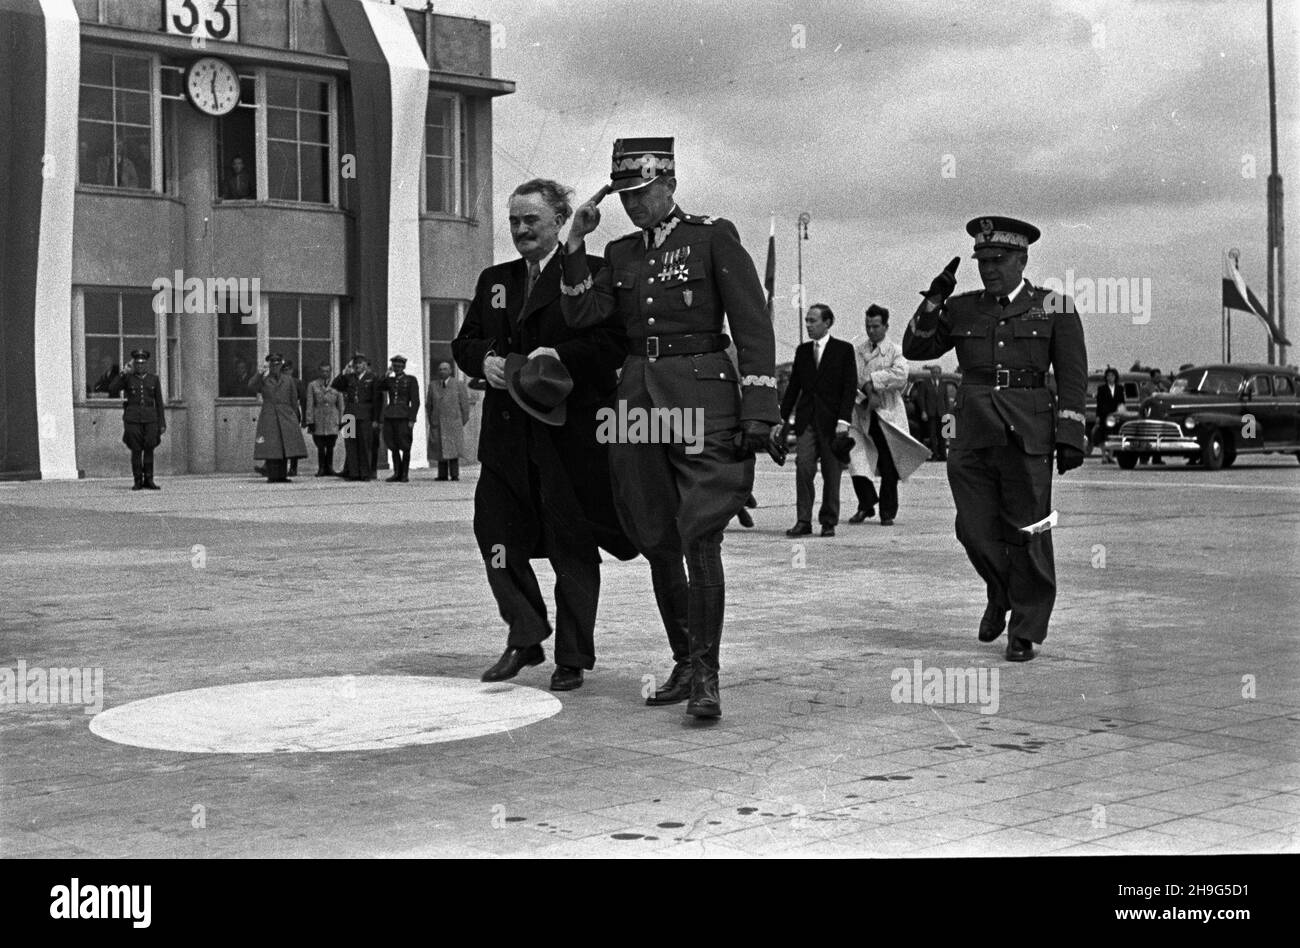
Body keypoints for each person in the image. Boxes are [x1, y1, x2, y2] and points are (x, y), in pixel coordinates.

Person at [560, 138, 779, 718]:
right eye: (624, 196)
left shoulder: (712, 236)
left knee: (702, 532)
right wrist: (576, 242)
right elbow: (583, 315)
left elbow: (752, 326)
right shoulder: (621, 252)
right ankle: (684, 661)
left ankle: (707, 676)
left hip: (704, 397)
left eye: (642, 193)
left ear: (670, 185)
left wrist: (759, 411)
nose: (633, 206)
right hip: (636, 400)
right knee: (655, 533)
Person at [452, 177, 636, 691]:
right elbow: (464, 341)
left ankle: (572, 656)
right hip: (507, 436)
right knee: (494, 536)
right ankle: (526, 634)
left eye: (531, 219)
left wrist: (557, 360)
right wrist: (483, 359)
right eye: (513, 220)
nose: (520, 229)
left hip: (568, 436)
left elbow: (610, 344)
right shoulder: (496, 278)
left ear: (560, 221)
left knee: (570, 547)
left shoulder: (593, 272)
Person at [903, 216, 1087, 662]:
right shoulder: (963, 308)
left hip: (1029, 432)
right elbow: (915, 348)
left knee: (1029, 531)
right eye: (982, 260)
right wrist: (934, 300)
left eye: (999, 260)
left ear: (1022, 259)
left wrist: (1070, 433)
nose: (989, 268)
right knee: (972, 527)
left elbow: (1072, 374)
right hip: (972, 433)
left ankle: (1025, 627)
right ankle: (1001, 592)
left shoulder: (1054, 306)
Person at [778, 303, 857, 538]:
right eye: (807, 321)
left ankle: (828, 521)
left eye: (813, 321)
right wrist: (781, 418)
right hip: (806, 421)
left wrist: (844, 420)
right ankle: (803, 520)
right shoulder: (802, 352)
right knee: (803, 467)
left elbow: (849, 388)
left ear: (828, 322)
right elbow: (793, 387)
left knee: (832, 473)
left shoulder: (843, 350)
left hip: (833, 423)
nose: (808, 325)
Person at [847, 304, 929, 525]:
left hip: (887, 413)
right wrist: (866, 391)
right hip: (863, 411)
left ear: (885, 326)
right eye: (868, 326)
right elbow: (853, 377)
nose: (871, 331)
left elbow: (900, 376)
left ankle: (887, 511)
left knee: (888, 462)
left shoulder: (896, 350)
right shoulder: (858, 350)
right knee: (856, 459)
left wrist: (873, 381)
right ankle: (866, 504)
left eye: (875, 326)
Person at [105, 349, 165, 490]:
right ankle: (137, 480)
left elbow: (159, 402)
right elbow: (112, 388)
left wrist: (161, 423)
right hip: (133, 419)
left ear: (146, 364)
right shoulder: (128, 378)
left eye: (142, 363)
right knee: (136, 450)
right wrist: (124, 373)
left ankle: (149, 479)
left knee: (149, 448)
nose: (140, 366)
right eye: (137, 364)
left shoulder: (153, 379)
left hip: (150, 419)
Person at [249, 353, 308, 483]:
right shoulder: (264, 379)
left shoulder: (288, 380)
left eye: (277, 363)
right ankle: (272, 475)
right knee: (271, 446)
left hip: (286, 415)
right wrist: (259, 373)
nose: (275, 366)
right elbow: (252, 386)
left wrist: (295, 416)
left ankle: (282, 475)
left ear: (281, 364)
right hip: (269, 415)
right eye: (272, 363)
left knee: (284, 446)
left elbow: (293, 399)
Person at [331, 353, 381, 481]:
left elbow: (377, 399)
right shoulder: (349, 377)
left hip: (365, 414)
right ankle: (353, 473)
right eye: (355, 364)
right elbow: (335, 385)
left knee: (364, 445)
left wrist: (376, 419)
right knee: (350, 443)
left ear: (365, 365)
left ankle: (365, 473)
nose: (357, 366)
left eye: (360, 363)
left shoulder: (372, 378)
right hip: (349, 414)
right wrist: (344, 371)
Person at [376, 355, 420, 482]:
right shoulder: (389, 380)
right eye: (395, 366)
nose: (398, 369)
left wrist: (412, 419)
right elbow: (378, 387)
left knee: (405, 445)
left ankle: (404, 474)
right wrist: (386, 374)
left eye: (400, 366)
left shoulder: (411, 380)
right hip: (390, 415)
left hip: (404, 416)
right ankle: (397, 472)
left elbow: (415, 401)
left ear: (404, 367)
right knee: (392, 444)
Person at [426, 361, 470, 481]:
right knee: (440, 449)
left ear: (450, 371)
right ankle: (442, 475)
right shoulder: (433, 385)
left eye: (445, 369)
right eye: (440, 369)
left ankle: (455, 474)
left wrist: (460, 422)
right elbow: (429, 406)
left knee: (453, 449)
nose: (442, 371)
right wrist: (433, 420)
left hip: (453, 423)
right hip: (438, 423)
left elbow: (465, 406)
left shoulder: (458, 385)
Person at [305, 361, 344, 476]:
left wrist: (342, 420)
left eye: (327, 371)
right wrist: (310, 421)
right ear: (319, 371)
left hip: (332, 418)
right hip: (319, 418)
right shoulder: (312, 385)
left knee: (331, 444)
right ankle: (321, 467)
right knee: (320, 444)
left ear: (330, 372)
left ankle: (329, 467)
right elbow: (310, 404)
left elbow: (341, 405)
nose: (325, 373)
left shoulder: (337, 384)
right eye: (322, 371)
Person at [912, 364, 948, 460]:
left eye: (937, 372)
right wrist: (923, 411)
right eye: (933, 372)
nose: (935, 374)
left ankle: (943, 455)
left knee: (943, 435)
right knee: (932, 435)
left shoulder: (943, 384)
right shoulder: (925, 383)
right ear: (931, 374)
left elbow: (946, 399)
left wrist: (947, 413)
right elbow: (921, 398)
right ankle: (935, 455)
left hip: (941, 413)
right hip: (930, 413)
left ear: (940, 374)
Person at [1093, 366, 1125, 462]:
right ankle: (1103, 456)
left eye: (1112, 375)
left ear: (1115, 377)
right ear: (1106, 377)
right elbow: (1099, 403)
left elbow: (1122, 402)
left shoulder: (1120, 388)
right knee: (1103, 435)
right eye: (1108, 376)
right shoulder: (1101, 388)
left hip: (1115, 415)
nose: (1110, 377)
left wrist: (1121, 414)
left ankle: (1111, 456)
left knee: (1114, 435)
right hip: (1104, 415)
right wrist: (1098, 416)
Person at [283, 360, 308, 477]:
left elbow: (304, 401)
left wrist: (304, 419)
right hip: (281, 414)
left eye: (288, 369)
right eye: (284, 370)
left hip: (293, 413)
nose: (287, 372)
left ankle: (293, 468)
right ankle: (281, 467)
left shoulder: (297, 383)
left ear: (292, 370)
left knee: (293, 442)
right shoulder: (280, 382)